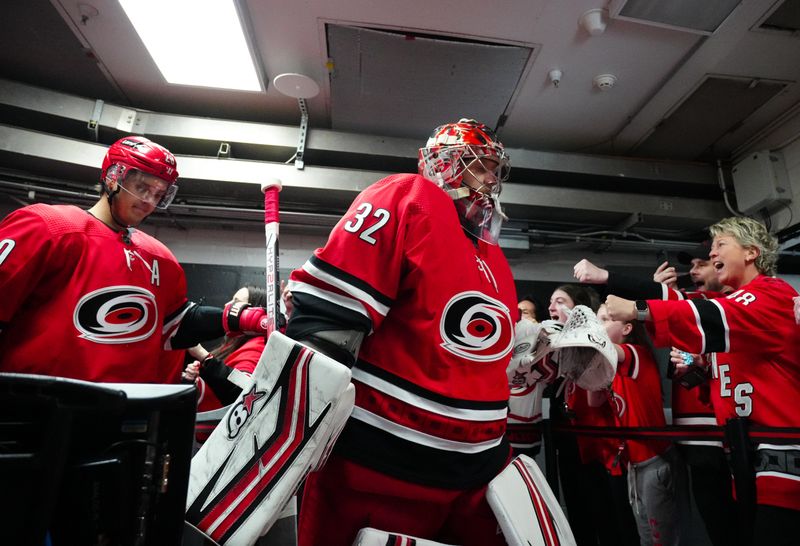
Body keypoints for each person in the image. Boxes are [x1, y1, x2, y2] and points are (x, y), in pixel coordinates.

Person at [284, 119, 517, 546]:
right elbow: (326, 324)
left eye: (492, 168)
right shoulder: (409, 195)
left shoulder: (491, 250)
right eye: (477, 164)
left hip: (473, 479)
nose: (489, 178)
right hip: (380, 470)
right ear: (443, 163)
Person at [0, 136, 270, 383]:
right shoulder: (47, 227)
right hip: (34, 409)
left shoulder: (160, 258)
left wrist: (240, 318)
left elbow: (172, 327)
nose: (149, 201)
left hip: (121, 413)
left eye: (159, 194)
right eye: (142, 187)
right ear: (113, 178)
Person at [604, 216, 800, 546]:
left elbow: (709, 315)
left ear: (751, 252)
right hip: (745, 448)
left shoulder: (771, 292)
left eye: (721, 245)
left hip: (782, 447)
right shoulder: (730, 303)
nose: (712, 254)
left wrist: (638, 309)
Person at [575, 247, 738, 546]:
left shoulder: (719, 304)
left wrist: (606, 279)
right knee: (691, 529)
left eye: (705, 263)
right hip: (687, 438)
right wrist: (663, 295)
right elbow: (592, 394)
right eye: (693, 265)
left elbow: (647, 311)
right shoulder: (689, 309)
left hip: (723, 434)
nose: (693, 271)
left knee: (725, 527)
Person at [545, 284, 639, 546]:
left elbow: (594, 395)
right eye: (550, 301)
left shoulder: (600, 345)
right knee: (577, 513)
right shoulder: (556, 342)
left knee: (611, 519)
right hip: (570, 440)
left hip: (603, 446)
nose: (552, 307)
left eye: (560, 301)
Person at [593, 304, 681, 546]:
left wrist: (586, 337)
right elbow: (593, 397)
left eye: (605, 320)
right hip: (635, 463)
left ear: (627, 327)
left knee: (661, 538)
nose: (598, 327)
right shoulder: (610, 363)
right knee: (644, 536)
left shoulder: (635, 352)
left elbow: (608, 349)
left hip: (655, 460)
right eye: (597, 320)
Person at [183, 284, 268, 413]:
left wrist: (202, 355)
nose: (227, 305)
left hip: (216, 429)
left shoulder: (257, 345)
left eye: (236, 301)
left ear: (253, 311)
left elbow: (242, 392)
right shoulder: (232, 345)